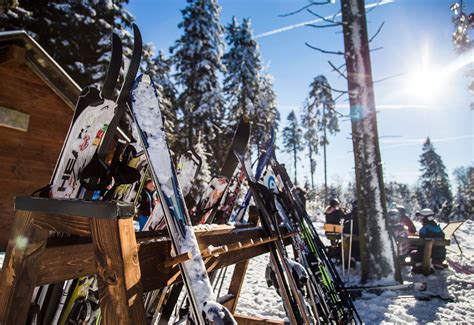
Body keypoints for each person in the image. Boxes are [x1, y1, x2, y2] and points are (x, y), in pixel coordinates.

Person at [412, 209, 447, 273]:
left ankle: (419, 266)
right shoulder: (437, 228)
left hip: (429, 255)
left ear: (426, 219)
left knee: (413, 252)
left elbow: (421, 243)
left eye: (421, 218)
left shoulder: (425, 229)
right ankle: (436, 263)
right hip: (440, 256)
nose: (420, 220)